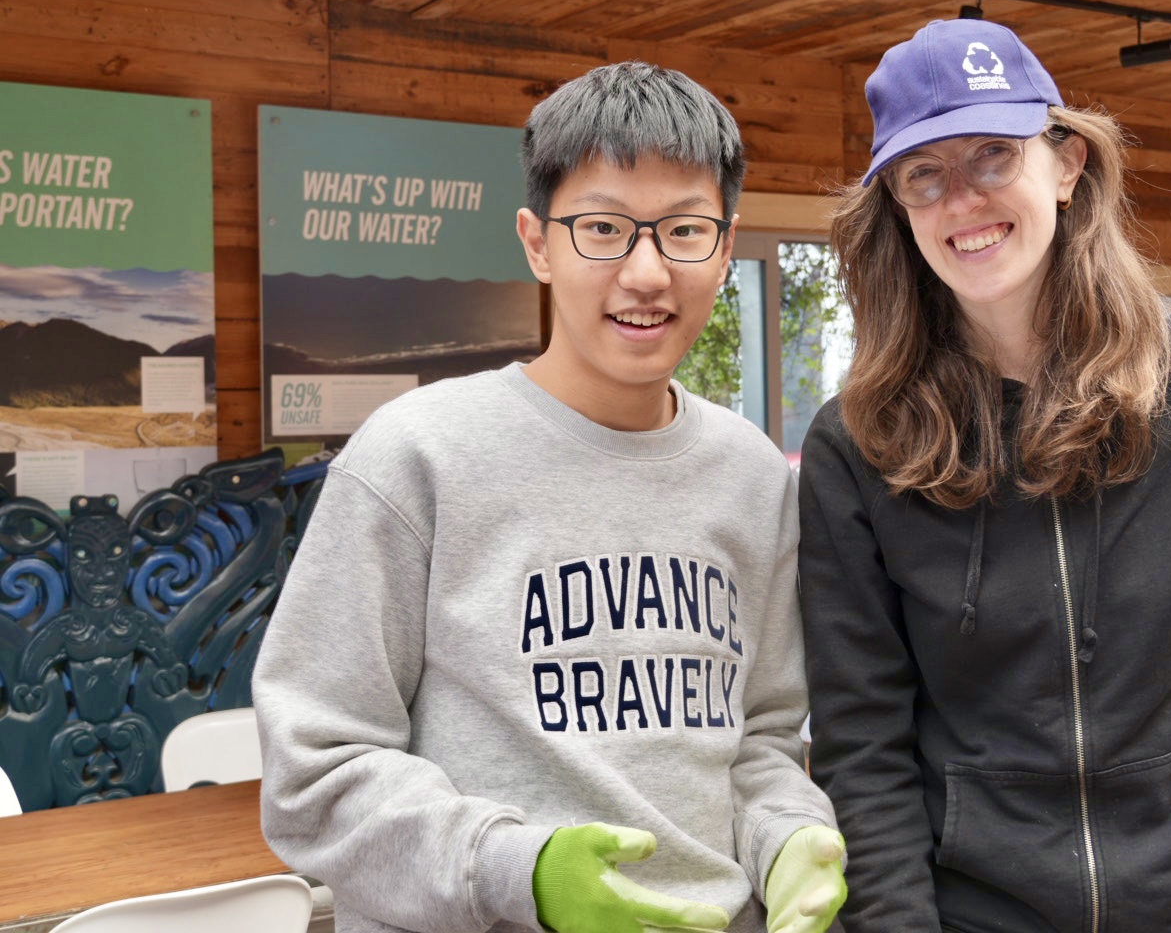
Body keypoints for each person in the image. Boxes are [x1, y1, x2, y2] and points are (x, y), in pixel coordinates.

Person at [797, 19, 1171, 933]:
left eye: (994, 155)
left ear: (1066, 164)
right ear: (898, 206)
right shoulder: (858, 443)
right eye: (924, 174)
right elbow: (864, 751)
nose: (962, 199)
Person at [255, 61, 846, 933]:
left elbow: (761, 739)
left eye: (685, 231)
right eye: (603, 228)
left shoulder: (753, 476)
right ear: (537, 243)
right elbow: (315, 773)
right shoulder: (416, 455)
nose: (646, 272)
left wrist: (790, 835)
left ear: (725, 248)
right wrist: (518, 873)